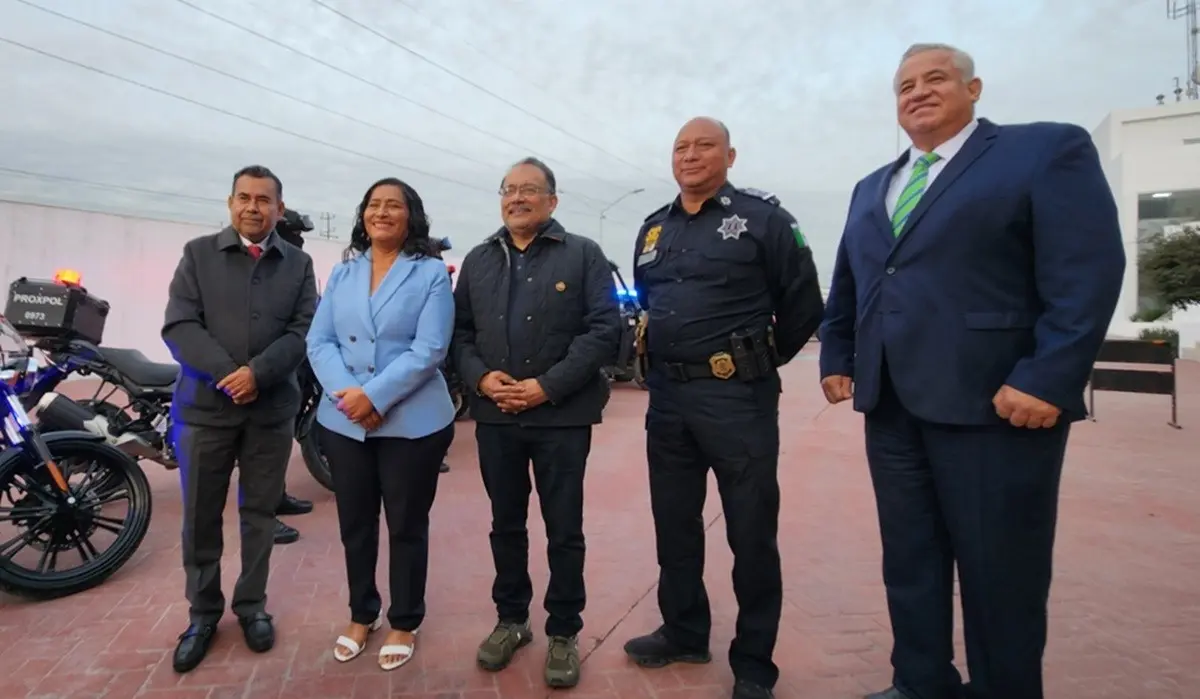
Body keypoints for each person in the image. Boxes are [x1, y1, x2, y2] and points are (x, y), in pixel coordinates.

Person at [819, 44, 1125, 699]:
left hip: (997, 403)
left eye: (936, 78)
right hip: (892, 403)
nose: (918, 91)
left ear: (974, 87)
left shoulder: (1042, 152)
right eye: (905, 83)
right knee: (910, 559)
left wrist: (1049, 374)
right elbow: (853, 283)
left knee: (1000, 572)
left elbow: (1087, 270)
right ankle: (920, 681)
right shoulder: (873, 186)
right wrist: (837, 353)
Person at [622, 117, 824, 699]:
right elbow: (649, 300)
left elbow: (804, 305)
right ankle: (684, 631)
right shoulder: (653, 230)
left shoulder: (765, 220)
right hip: (667, 400)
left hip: (738, 400)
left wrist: (752, 361)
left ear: (730, 156)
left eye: (703, 145)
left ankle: (755, 664)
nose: (690, 155)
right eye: (680, 147)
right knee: (675, 524)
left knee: (751, 531)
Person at [452, 157, 621, 689]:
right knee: (506, 525)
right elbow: (458, 335)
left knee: (564, 529)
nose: (517, 198)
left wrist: (547, 386)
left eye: (530, 190)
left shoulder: (583, 255)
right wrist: (481, 380)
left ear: (553, 200)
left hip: (562, 419)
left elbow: (603, 330)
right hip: (496, 418)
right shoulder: (480, 259)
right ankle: (512, 620)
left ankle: (565, 631)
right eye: (509, 190)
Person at [162, 165, 318, 673]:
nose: (254, 207)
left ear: (279, 207)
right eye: (244, 198)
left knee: (259, 516)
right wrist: (231, 374)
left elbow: (303, 330)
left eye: (264, 200)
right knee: (200, 519)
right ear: (230, 203)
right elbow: (180, 326)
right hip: (205, 412)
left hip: (270, 413)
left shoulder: (298, 264)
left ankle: (252, 606)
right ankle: (203, 614)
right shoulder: (198, 255)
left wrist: (260, 374)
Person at [306, 177, 456, 672]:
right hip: (346, 420)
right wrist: (351, 398)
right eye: (374, 204)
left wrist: (374, 395)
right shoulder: (344, 272)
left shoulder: (430, 272)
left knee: (407, 525)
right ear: (363, 215)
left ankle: (405, 619)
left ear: (410, 216)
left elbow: (430, 348)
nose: (382, 212)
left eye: (394, 205)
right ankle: (361, 613)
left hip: (412, 421)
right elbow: (319, 342)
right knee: (355, 524)